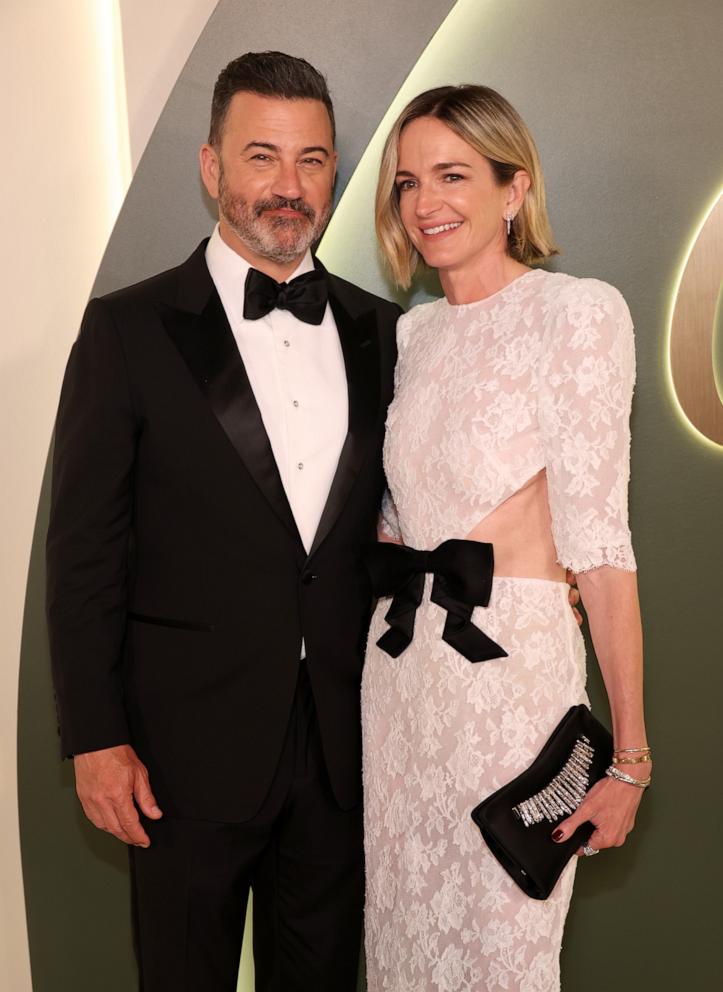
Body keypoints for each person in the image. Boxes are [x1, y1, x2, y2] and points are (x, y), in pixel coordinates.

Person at [45, 51, 402, 992]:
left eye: (312, 160)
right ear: (211, 168)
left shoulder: (385, 331)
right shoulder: (126, 330)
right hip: (177, 754)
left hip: (341, 745)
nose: (288, 187)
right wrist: (93, 734)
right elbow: (84, 552)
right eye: (261, 157)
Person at [362, 85, 650, 991]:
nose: (426, 203)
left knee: (501, 955)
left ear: (513, 189)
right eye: (408, 182)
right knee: (401, 948)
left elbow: (600, 550)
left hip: (507, 687)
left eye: (453, 175)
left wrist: (631, 759)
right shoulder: (416, 334)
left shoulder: (577, 315)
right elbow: (402, 519)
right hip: (400, 684)